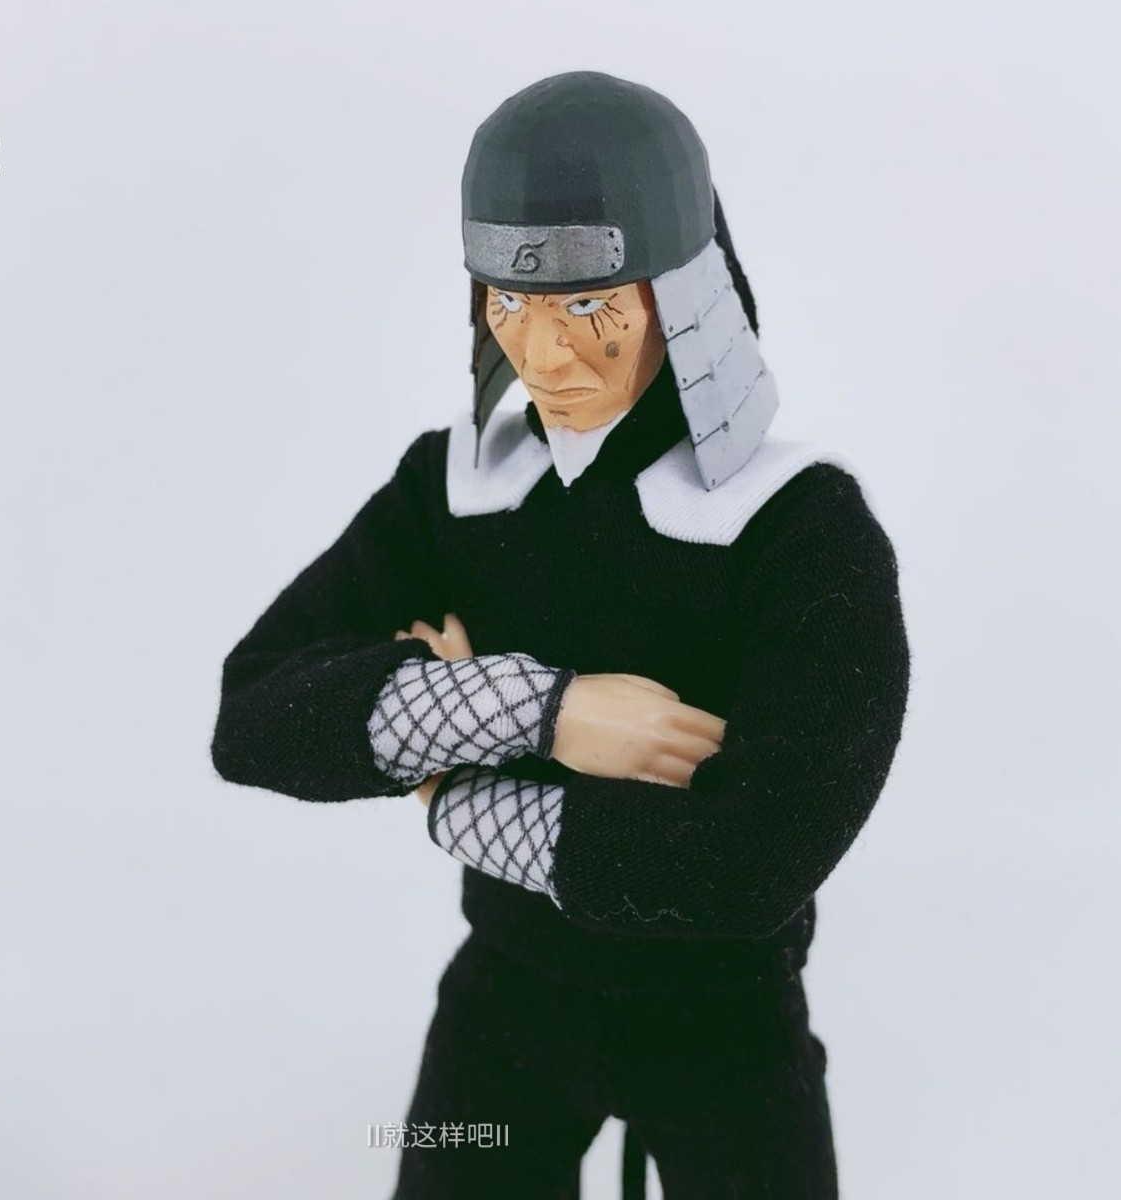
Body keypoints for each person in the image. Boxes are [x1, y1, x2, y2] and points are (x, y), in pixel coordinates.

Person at [211, 70, 911, 1200]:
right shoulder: (453, 486)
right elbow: (252, 717)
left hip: (724, 1032)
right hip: (505, 1013)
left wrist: (458, 796)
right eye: (509, 300)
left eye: (590, 307)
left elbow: (755, 865)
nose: (542, 356)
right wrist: (536, 709)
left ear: (685, 292)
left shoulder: (801, 524)